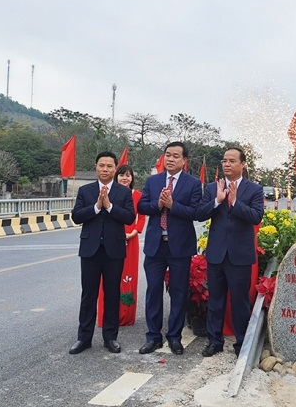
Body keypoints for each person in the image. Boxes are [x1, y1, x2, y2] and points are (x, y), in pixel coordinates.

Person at [195, 147, 264, 357]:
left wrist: (234, 202)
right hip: (216, 254)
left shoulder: (254, 190)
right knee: (215, 301)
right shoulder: (212, 187)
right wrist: (217, 200)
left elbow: (256, 217)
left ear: (243, 164)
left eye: (232, 161)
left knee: (240, 301)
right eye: (225, 160)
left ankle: (241, 343)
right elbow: (199, 214)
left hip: (239, 255)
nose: (227, 164)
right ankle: (214, 341)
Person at [137, 142, 202, 355]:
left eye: (176, 156)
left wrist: (173, 206)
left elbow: (196, 212)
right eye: (168, 155)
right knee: (153, 291)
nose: (171, 159)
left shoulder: (193, 183)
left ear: (184, 161)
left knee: (178, 292)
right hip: (156, 247)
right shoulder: (153, 181)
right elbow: (142, 206)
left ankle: (174, 337)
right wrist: (158, 204)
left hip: (179, 247)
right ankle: (153, 337)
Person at [69, 151, 135, 355]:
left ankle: (110, 337)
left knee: (112, 293)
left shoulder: (123, 193)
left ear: (115, 169)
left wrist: (110, 206)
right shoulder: (85, 190)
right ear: (96, 167)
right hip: (90, 250)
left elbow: (129, 217)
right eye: (101, 166)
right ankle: (84, 338)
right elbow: (76, 217)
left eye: (109, 166)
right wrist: (97, 207)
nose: (105, 169)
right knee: (88, 294)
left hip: (114, 251)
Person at [114, 164, 146, 325]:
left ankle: (126, 315)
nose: (124, 178)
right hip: (112, 239)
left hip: (130, 240)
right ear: (116, 177)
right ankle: (109, 314)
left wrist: (133, 233)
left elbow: (141, 218)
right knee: (111, 275)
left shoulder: (138, 196)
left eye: (127, 175)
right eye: (121, 175)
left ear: (132, 178)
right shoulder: (109, 193)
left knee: (128, 275)